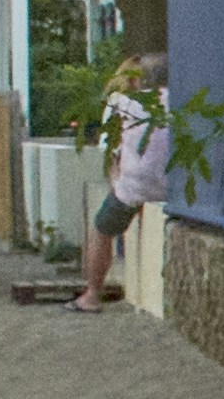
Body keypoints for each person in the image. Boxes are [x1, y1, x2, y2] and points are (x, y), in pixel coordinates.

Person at [71, 55, 169, 311]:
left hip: (136, 186)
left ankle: (92, 295)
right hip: (177, 186)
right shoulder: (183, 103)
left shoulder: (122, 103)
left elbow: (111, 148)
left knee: (101, 229)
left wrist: (115, 178)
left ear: (137, 80)